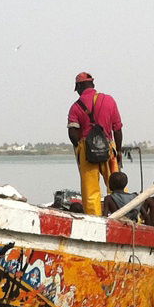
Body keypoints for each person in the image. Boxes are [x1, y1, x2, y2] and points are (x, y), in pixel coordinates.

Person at [66, 72, 122, 216]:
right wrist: (119, 151)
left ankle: (95, 219)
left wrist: (80, 149)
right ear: (93, 84)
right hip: (109, 147)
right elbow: (117, 129)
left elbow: (73, 134)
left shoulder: (75, 107)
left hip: (87, 150)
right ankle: (123, 214)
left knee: (91, 191)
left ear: (79, 86)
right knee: (116, 185)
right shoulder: (109, 100)